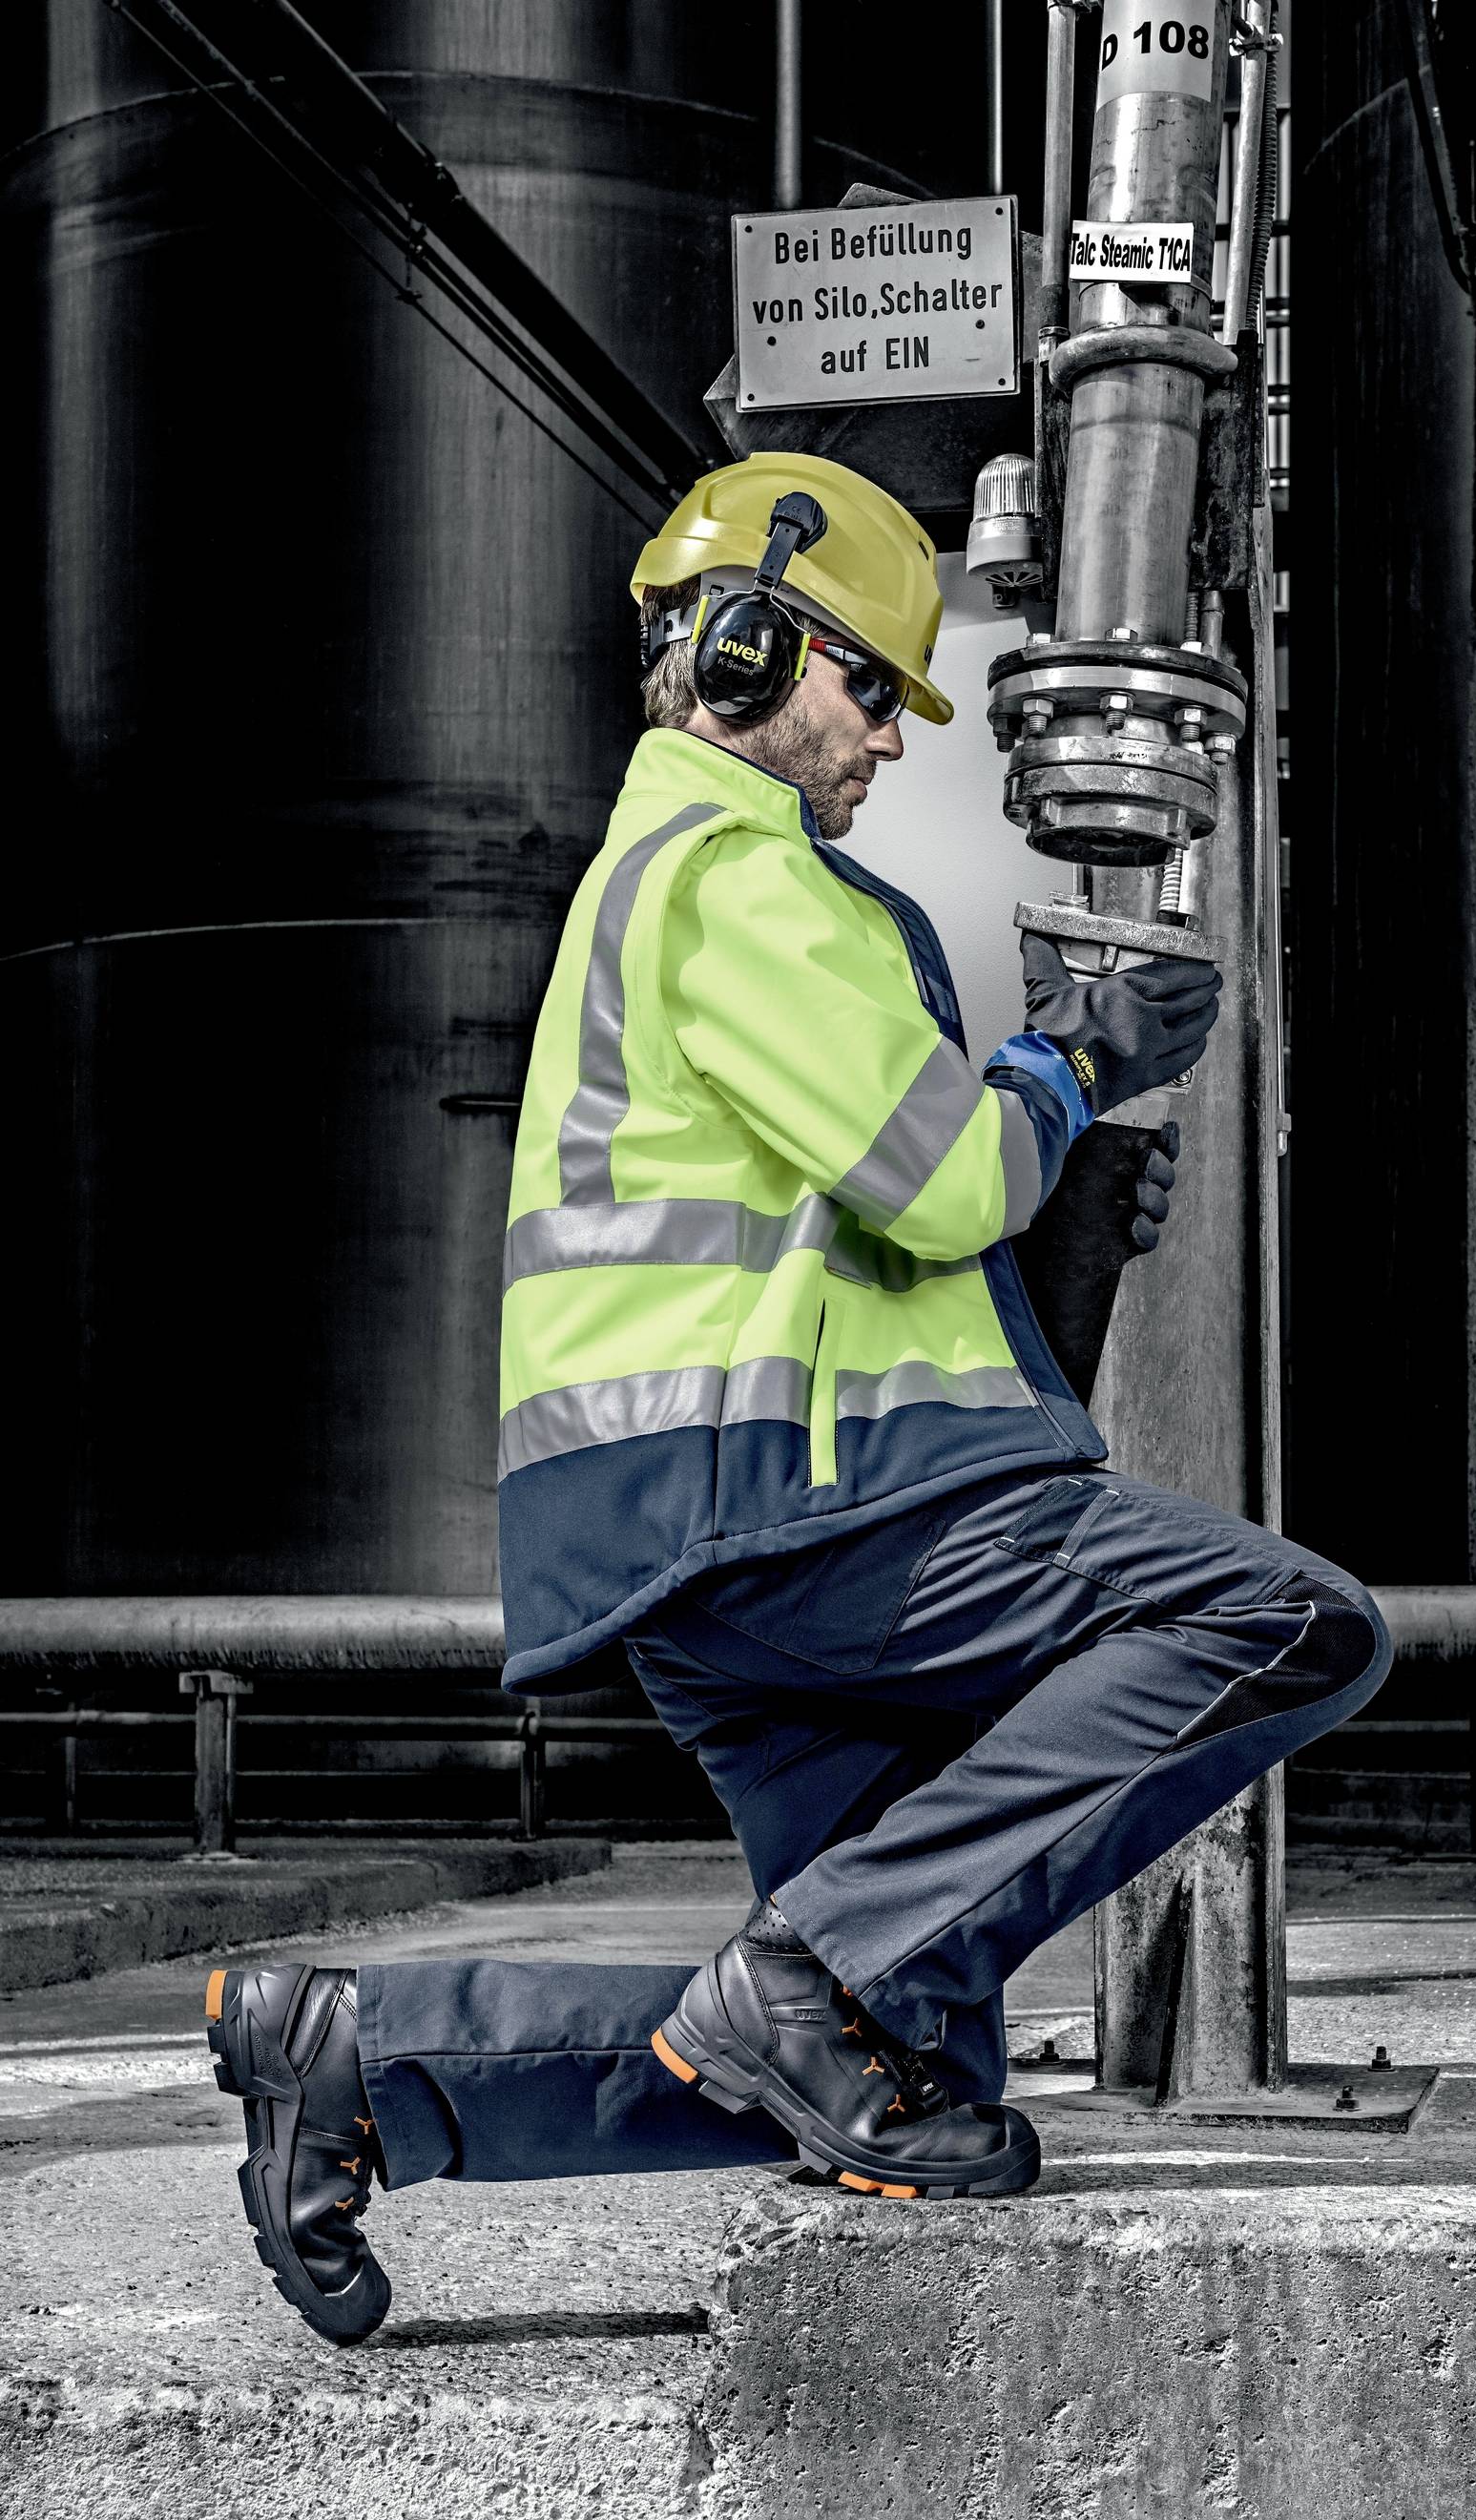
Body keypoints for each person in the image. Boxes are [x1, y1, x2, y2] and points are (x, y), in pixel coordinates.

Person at [205, 454, 1390, 2344]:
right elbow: (936, 1180)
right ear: (750, 650)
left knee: (905, 2079)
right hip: (806, 1508)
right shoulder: (735, 878)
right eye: (867, 695)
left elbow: (889, 1236)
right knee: (1278, 1623)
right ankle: (810, 1974)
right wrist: (1064, 1064)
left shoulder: (673, 896)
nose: (877, 749)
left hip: (720, 1549)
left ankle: (370, 2069)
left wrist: (1065, 1207)